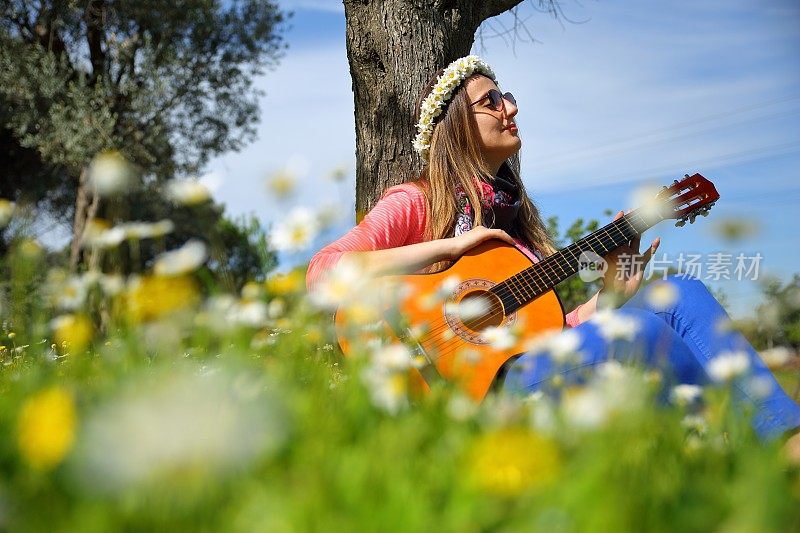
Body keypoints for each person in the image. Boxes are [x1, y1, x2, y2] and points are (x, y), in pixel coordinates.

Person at [306, 56, 800, 448]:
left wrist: (609, 297)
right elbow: (324, 274)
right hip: (466, 393)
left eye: (509, 98)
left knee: (680, 295)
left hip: (532, 365)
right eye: (491, 101)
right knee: (643, 332)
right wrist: (455, 244)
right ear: (456, 124)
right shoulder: (414, 203)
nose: (510, 109)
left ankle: (784, 444)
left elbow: (554, 333)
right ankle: (726, 452)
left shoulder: (519, 233)